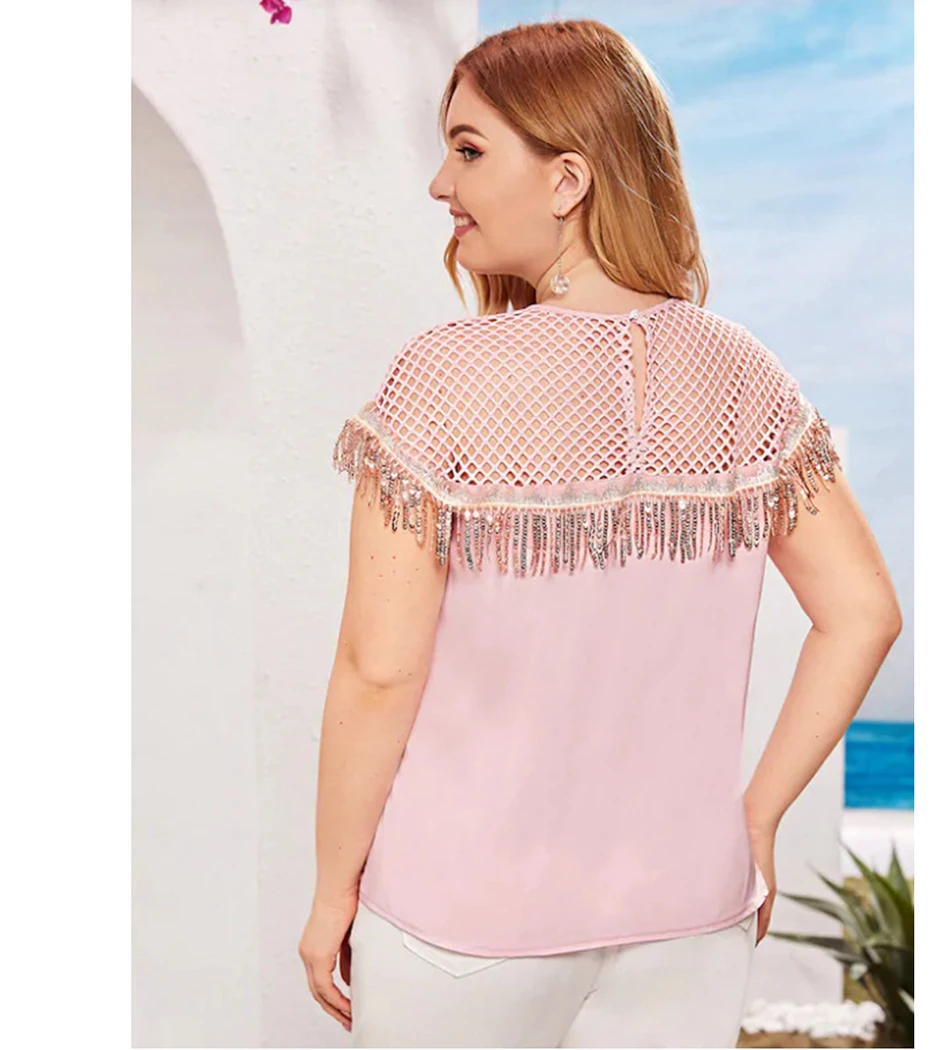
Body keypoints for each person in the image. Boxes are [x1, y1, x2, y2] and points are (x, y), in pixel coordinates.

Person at [298, 18, 902, 1049]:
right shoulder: (746, 375)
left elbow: (378, 668)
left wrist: (330, 891)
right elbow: (866, 614)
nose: (441, 184)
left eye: (469, 149)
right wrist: (753, 820)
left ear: (568, 179)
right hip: (689, 917)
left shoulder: (444, 378)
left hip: (466, 917)